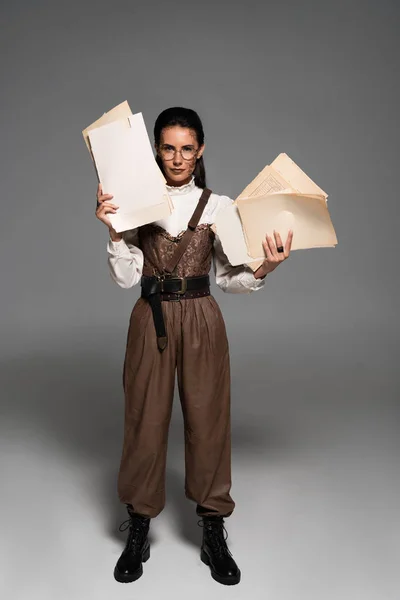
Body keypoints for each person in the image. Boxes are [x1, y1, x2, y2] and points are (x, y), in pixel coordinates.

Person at [95, 107, 293, 586]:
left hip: (202, 316)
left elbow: (228, 278)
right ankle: (139, 526)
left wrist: (266, 267)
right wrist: (113, 230)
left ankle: (212, 528)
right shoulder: (135, 202)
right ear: (156, 150)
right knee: (145, 418)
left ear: (200, 149)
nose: (178, 158)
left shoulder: (220, 206)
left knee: (208, 419)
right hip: (151, 317)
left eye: (187, 148)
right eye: (168, 148)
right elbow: (125, 278)